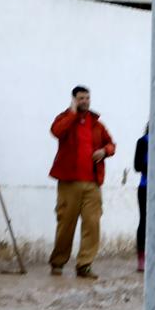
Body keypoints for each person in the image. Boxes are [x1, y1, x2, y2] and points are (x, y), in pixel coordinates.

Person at [48, 86, 115, 280]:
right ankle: (58, 261)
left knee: (92, 223)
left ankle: (84, 264)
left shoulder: (97, 124)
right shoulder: (65, 119)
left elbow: (111, 144)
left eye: (87, 98)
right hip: (69, 182)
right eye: (81, 98)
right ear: (74, 100)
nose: (85, 101)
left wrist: (104, 151)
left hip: (92, 183)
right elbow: (56, 131)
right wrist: (72, 112)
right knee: (65, 224)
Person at [133, 124, 148, 273]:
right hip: (146, 187)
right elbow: (137, 166)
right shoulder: (143, 141)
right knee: (144, 221)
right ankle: (141, 258)